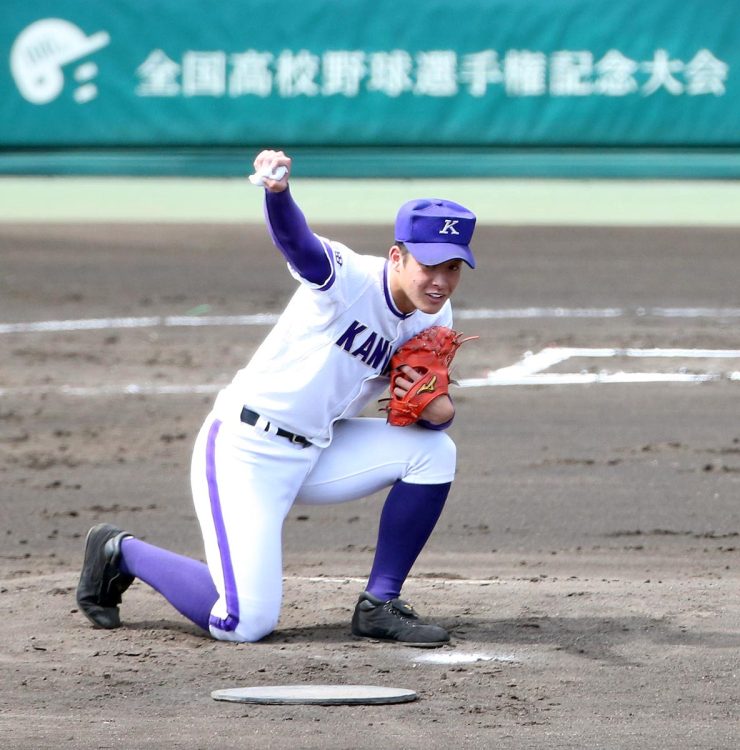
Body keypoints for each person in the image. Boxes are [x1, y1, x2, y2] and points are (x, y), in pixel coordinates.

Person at [76, 149, 478, 646]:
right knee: (243, 623)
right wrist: (278, 194)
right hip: (247, 449)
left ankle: (380, 603)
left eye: (454, 268)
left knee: (434, 453)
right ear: (398, 257)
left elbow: (426, 410)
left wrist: (440, 414)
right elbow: (299, 245)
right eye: (430, 265)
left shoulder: (436, 315)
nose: (440, 281)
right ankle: (120, 552)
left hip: (318, 449)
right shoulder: (349, 278)